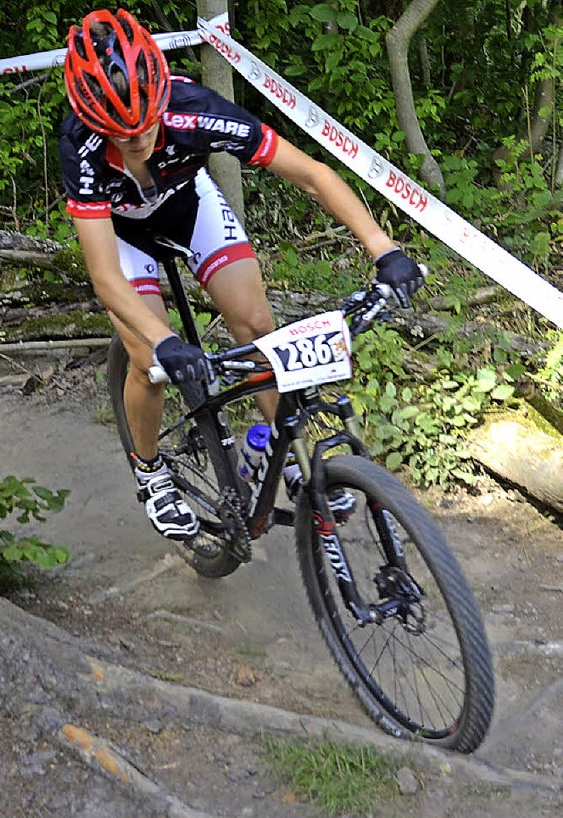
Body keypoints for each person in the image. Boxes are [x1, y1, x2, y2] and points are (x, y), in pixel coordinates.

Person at [59, 8, 425, 541]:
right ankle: (150, 470)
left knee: (256, 325)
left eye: (147, 124)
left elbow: (313, 175)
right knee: (148, 362)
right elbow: (105, 278)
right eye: (122, 132)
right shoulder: (80, 146)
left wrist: (383, 249)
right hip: (122, 235)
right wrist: (164, 342)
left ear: (164, 97)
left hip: (188, 203)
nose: (138, 139)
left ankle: (287, 452)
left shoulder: (193, 110)